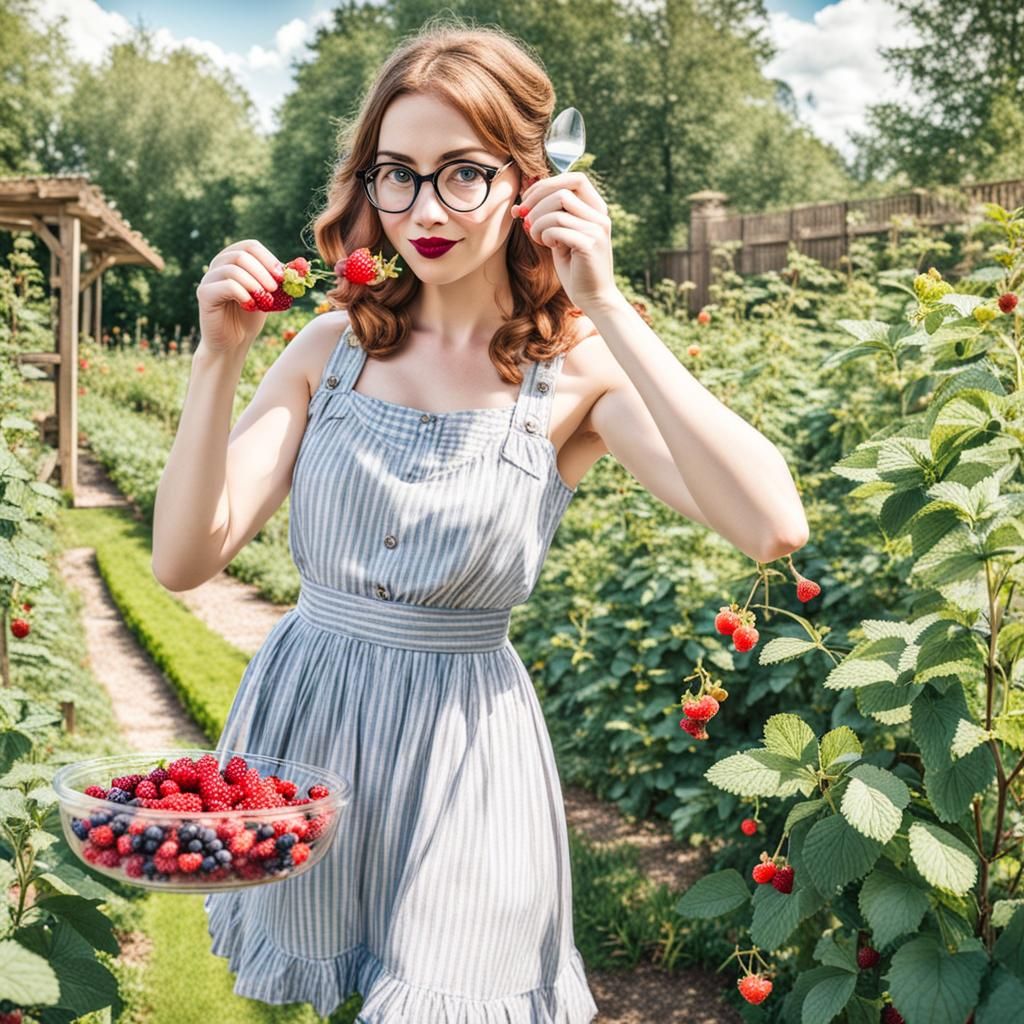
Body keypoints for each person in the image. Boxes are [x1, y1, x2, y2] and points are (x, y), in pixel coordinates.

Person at [151, 18, 808, 1024]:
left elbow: (771, 523)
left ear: (525, 181)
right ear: (367, 184)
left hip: (466, 749)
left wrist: (612, 305)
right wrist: (218, 357)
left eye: (461, 172)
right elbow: (183, 559)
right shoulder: (328, 347)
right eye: (395, 173)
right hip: (310, 719)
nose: (424, 208)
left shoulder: (573, 375)